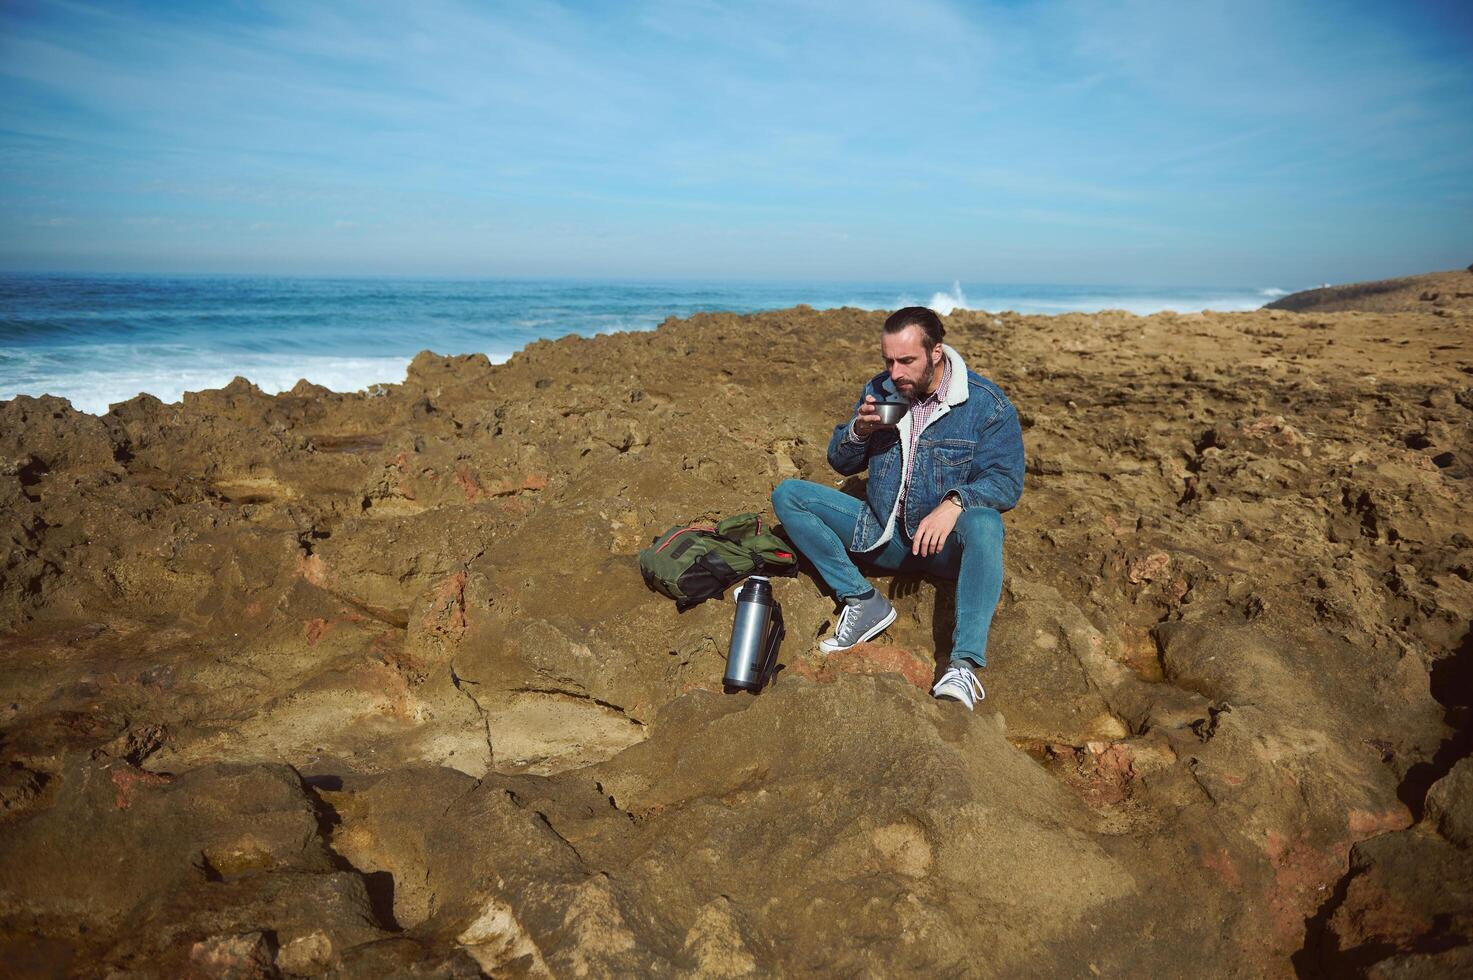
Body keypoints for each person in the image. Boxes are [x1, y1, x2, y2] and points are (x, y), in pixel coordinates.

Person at [770, 306, 1024, 710]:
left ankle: (963, 667)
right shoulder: (881, 389)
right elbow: (840, 462)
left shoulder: (986, 405)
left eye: (907, 360)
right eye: (889, 360)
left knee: (986, 523)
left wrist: (955, 503)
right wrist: (859, 430)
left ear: (936, 353)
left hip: (940, 548)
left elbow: (1006, 482)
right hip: (881, 535)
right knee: (788, 494)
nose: (896, 371)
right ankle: (862, 599)